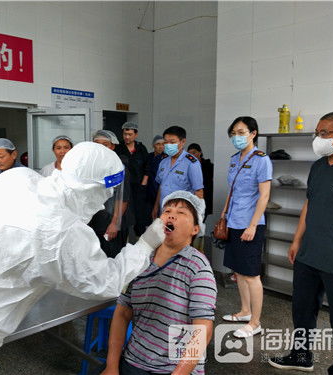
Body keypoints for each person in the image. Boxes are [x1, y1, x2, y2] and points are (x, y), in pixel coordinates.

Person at [0, 142, 166, 374]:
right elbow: (105, 282)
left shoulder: (19, 179)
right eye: (105, 192)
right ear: (89, 190)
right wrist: (146, 243)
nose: (104, 200)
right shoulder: (60, 231)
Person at [269, 112, 333, 374]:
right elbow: (309, 204)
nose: (318, 138)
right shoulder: (319, 167)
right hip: (309, 255)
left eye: (323, 133)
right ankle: (301, 356)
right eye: (317, 133)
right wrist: (297, 240)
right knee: (302, 311)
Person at [102, 191, 215, 375]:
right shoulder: (139, 259)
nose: (171, 214)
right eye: (167, 210)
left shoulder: (198, 267)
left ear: (196, 229)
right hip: (134, 360)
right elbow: (122, 312)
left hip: (174, 367)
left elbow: (202, 329)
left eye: (181, 212)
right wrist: (112, 366)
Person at [220, 116, 272, 338]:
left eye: (241, 132)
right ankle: (244, 311)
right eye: (234, 133)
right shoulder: (234, 159)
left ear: (253, 134)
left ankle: (255, 322)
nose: (236, 137)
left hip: (250, 224)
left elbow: (264, 195)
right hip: (233, 221)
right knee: (239, 272)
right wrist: (223, 213)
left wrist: (252, 225)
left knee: (251, 275)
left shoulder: (262, 160)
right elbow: (232, 191)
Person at [89, 130, 133, 258]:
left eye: (105, 144)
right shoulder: (92, 166)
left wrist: (115, 223)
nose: (101, 148)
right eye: (97, 144)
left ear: (113, 146)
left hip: (113, 222)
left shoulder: (119, 167)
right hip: (97, 221)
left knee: (112, 258)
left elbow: (123, 199)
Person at [152, 126, 204, 219]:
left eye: (172, 142)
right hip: (164, 212)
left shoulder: (191, 163)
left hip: (182, 215)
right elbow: (162, 186)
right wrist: (156, 207)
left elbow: (199, 192)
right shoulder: (163, 162)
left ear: (183, 142)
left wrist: (197, 217)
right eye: (166, 142)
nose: (168, 145)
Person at [115, 122, 150, 236]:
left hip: (138, 187)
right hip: (123, 186)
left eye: (130, 134)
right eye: (125, 134)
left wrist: (144, 183)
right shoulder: (118, 148)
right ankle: (123, 237)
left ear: (136, 135)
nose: (127, 137)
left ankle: (139, 238)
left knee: (139, 213)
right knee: (123, 212)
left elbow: (147, 166)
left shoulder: (141, 148)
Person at [187, 143, 214, 222]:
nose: (192, 155)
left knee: (200, 221)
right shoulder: (186, 166)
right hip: (190, 198)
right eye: (189, 153)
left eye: (194, 152)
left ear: (200, 153)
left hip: (205, 198)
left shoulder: (208, 166)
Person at [146, 135, 168, 218]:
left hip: (161, 192)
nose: (161, 146)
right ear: (153, 145)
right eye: (158, 144)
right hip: (148, 193)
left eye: (163, 144)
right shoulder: (148, 157)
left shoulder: (167, 159)